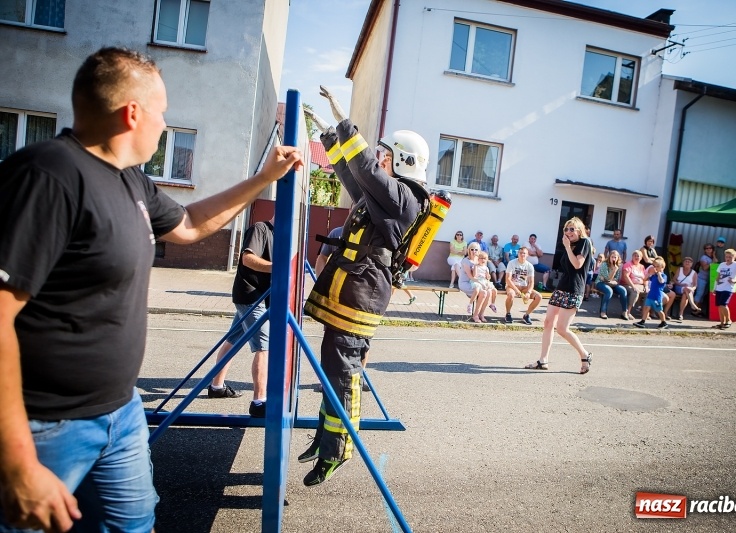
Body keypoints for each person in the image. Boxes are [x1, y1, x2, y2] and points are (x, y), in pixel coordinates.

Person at [0, 47, 303, 532]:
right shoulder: (47, 176)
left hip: (119, 412)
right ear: (132, 113)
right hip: (47, 427)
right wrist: (16, 462)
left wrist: (264, 178)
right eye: (161, 112)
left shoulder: (130, 181)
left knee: (134, 525)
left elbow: (189, 224)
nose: (164, 125)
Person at [302, 86, 428, 486]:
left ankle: (338, 448)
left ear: (401, 161)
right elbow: (353, 174)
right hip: (354, 285)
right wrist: (330, 135)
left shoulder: (405, 197)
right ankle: (325, 436)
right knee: (332, 361)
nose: (380, 158)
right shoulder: (383, 197)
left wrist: (345, 121)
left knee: (344, 367)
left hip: (364, 290)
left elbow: (367, 169)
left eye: (385, 154)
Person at [206, 220, 275, 418]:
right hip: (251, 296)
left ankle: (216, 387)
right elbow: (247, 259)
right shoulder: (260, 229)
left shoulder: (279, 235)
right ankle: (259, 402)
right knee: (264, 346)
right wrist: (277, 267)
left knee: (233, 339)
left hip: (260, 296)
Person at [526, 218, 593, 373]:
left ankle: (584, 355)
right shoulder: (569, 245)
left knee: (562, 329)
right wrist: (567, 247)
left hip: (573, 289)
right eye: (566, 229)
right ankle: (543, 360)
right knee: (548, 322)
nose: (568, 232)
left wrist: (568, 247)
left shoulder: (584, 242)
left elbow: (577, 264)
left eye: (572, 229)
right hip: (561, 288)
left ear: (579, 230)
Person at [313, 226, 371, 394]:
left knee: (363, 341)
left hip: (363, 299)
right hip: (336, 297)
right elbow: (322, 257)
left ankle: (359, 377)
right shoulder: (337, 233)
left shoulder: (376, 231)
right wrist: (322, 281)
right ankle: (326, 380)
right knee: (331, 341)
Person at [504, 247, 542, 325]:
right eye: (520, 253)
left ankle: (526, 315)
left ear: (527, 255)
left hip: (524, 287)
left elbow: (531, 282)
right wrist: (516, 289)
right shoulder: (511, 263)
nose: (522, 255)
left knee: (539, 296)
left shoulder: (529, 265)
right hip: (512, 286)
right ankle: (508, 314)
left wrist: (528, 292)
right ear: (518, 254)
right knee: (511, 295)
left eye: (524, 253)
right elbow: (508, 279)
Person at [713, 248, 736, 329]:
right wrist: (715, 287)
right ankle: (722, 323)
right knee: (719, 305)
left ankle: (728, 320)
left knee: (723, 304)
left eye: (730, 257)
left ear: (734, 257)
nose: (728, 258)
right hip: (719, 287)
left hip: (728, 288)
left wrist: (735, 281)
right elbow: (718, 277)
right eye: (726, 256)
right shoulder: (722, 264)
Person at [633, 257, 669, 329]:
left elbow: (661, 281)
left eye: (657, 266)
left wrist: (659, 274)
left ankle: (663, 322)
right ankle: (642, 321)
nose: (655, 268)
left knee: (659, 310)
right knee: (646, 308)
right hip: (650, 295)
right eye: (654, 266)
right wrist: (649, 274)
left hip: (657, 296)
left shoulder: (663, 276)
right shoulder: (654, 275)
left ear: (662, 267)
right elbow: (645, 279)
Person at [462, 250, 496, 323]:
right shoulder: (476, 266)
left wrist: (488, 277)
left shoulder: (486, 267)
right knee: (484, 293)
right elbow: (475, 276)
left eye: (484, 259)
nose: (483, 260)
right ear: (478, 259)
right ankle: (475, 314)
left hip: (484, 282)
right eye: (481, 258)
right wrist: (475, 268)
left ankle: (481, 314)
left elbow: (487, 278)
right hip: (477, 282)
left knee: (489, 292)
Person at [666, 257, 701, 321]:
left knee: (685, 294)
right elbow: (674, 279)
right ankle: (692, 304)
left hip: (689, 290)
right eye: (686, 261)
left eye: (689, 262)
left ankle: (680, 314)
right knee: (686, 289)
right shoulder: (680, 269)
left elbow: (695, 285)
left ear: (691, 264)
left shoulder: (694, 273)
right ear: (683, 263)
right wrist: (681, 284)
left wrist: (692, 289)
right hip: (679, 287)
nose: (687, 263)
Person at [595, 250, 626, 319]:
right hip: (600, 283)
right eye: (612, 257)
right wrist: (613, 271)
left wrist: (612, 279)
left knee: (623, 290)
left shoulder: (617, 266)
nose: (613, 259)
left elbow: (616, 279)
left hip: (611, 284)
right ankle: (603, 312)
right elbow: (608, 278)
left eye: (615, 257)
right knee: (609, 291)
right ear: (609, 257)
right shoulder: (604, 264)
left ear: (618, 258)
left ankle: (624, 312)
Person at [621, 250, 646, 320]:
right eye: (635, 255)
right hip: (628, 284)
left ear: (641, 258)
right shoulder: (628, 264)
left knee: (649, 293)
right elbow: (626, 277)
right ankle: (628, 312)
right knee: (635, 292)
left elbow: (645, 278)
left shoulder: (642, 266)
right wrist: (633, 286)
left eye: (638, 256)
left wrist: (646, 286)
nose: (636, 257)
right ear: (632, 256)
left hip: (640, 285)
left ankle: (644, 313)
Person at [694, 243, 716, 308]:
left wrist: (714, 255)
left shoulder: (713, 257)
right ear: (705, 250)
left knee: (703, 294)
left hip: (709, 279)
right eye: (707, 248)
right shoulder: (703, 257)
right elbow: (705, 268)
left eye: (710, 248)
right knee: (699, 294)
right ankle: (694, 309)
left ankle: (698, 309)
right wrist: (712, 263)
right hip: (701, 278)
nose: (708, 249)